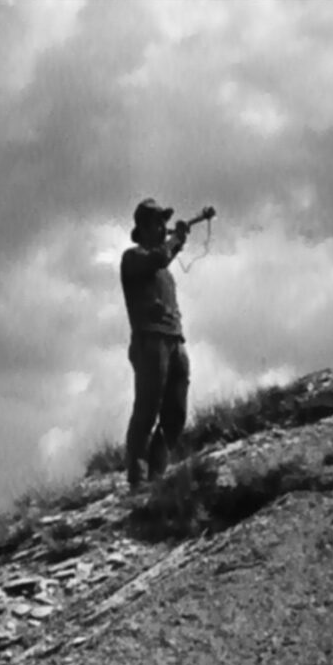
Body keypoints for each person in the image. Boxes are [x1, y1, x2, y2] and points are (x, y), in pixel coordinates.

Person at [120, 198, 192, 490]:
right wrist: (177, 239)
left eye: (164, 223)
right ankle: (137, 478)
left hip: (174, 341)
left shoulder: (165, 270)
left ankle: (157, 472)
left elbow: (163, 258)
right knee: (147, 410)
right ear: (143, 228)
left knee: (176, 412)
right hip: (149, 342)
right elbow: (159, 257)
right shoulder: (133, 258)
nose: (163, 228)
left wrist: (175, 241)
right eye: (157, 223)